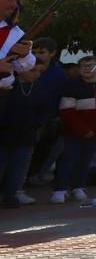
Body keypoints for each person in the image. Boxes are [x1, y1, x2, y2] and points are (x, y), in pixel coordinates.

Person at [52, 55, 96, 203]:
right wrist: (83, 130)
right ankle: (60, 189)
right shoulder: (71, 86)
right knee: (68, 160)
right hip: (73, 132)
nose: (87, 69)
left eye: (91, 66)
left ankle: (79, 187)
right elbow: (66, 111)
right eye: (83, 66)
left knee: (86, 161)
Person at [1, 62, 56, 208]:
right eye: (32, 70)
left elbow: (45, 111)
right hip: (4, 134)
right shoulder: (8, 86)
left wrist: (35, 124)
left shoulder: (41, 89)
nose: (37, 74)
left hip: (26, 135)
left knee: (18, 167)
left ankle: (11, 195)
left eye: (39, 71)